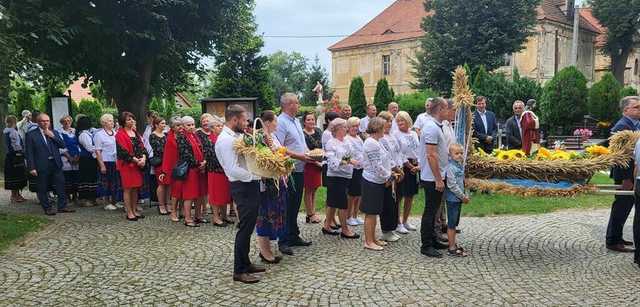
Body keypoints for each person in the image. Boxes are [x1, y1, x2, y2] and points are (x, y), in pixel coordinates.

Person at [216, 104, 265, 284]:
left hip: (248, 183)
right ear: (234, 119)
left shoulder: (236, 135)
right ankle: (239, 270)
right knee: (244, 229)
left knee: (249, 226)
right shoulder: (226, 140)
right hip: (242, 185)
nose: (246, 123)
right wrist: (255, 175)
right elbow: (232, 169)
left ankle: (246, 263)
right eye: (243, 120)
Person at [274, 93, 313, 256]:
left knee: (295, 204)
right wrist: (300, 156)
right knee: (286, 205)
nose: (299, 105)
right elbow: (279, 148)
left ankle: (293, 235)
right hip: (288, 171)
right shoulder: (280, 122)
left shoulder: (296, 121)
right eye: (297, 103)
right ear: (288, 105)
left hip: (300, 168)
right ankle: (283, 240)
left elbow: (300, 143)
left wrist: (310, 153)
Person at [606, 96, 640, 253]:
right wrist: (627, 178)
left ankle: (618, 237)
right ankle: (612, 240)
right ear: (626, 110)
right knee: (621, 206)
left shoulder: (634, 124)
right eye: (636, 107)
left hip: (633, 174)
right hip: (625, 175)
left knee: (626, 206)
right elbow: (620, 156)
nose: (639, 110)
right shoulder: (622, 126)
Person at [418, 97, 450, 258]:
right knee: (430, 211)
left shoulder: (437, 126)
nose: (449, 111)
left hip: (437, 175)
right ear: (440, 110)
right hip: (432, 177)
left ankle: (433, 239)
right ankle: (426, 245)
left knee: (435, 211)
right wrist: (438, 178)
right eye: (447, 108)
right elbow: (431, 155)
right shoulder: (431, 127)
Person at [25, 113, 75, 215]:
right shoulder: (31, 135)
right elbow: (29, 152)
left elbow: (62, 145)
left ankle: (62, 206)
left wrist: (52, 136)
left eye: (47, 121)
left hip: (55, 163)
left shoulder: (54, 132)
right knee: (42, 187)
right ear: (38, 122)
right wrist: (31, 167)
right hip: (41, 164)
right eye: (43, 121)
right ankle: (47, 208)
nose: (45, 123)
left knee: (61, 185)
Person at [255, 111, 287, 263]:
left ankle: (268, 248)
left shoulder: (272, 136)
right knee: (264, 215)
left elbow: (279, 153)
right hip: (266, 182)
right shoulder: (260, 136)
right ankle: (264, 251)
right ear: (267, 122)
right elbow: (262, 158)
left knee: (273, 213)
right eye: (275, 121)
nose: (277, 124)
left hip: (276, 180)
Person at [322, 118, 360, 239]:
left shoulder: (346, 142)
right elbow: (333, 163)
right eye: (344, 127)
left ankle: (327, 226)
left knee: (332, 202)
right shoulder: (331, 143)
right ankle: (345, 229)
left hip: (346, 176)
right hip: (335, 177)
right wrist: (348, 161)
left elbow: (351, 156)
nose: (346, 129)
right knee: (342, 204)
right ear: (337, 129)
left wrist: (352, 161)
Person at [361, 117, 393, 251]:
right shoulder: (371, 143)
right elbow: (377, 166)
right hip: (371, 181)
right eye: (384, 127)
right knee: (371, 213)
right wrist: (388, 176)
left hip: (377, 181)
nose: (385, 129)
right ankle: (368, 241)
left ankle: (373, 238)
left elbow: (386, 159)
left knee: (375, 212)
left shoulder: (377, 141)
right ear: (378, 128)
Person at [175, 116, 206, 227]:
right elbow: (186, 155)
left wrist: (204, 162)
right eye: (188, 125)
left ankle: (198, 216)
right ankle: (188, 219)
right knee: (189, 195)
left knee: (199, 194)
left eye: (193, 124)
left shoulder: (195, 135)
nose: (191, 127)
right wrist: (199, 164)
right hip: (190, 169)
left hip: (199, 169)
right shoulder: (181, 137)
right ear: (183, 126)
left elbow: (202, 150)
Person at [115, 112, 147, 221]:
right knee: (128, 189)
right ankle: (129, 212)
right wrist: (135, 160)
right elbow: (123, 152)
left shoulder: (135, 132)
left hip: (137, 164)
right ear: (123, 122)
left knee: (135, 188)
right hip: (127, 165)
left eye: (132, 119)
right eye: (129, 119)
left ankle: (134, 210)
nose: (132, 121)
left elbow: (142, 147)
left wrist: (143, 158)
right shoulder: (120, 134)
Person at [378, 111, 404, 242]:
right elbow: (386, 158)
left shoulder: (392, 136)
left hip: (397, 171)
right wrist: (394, 170)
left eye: (390, 121)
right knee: (387, 201)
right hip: (388, 173)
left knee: (395, 201)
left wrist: (400, 168)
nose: (390, 123)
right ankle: (386, 230)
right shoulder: (381, 138)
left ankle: (392, 227)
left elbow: (398, 153)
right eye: (387, 121)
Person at [393, 111, 419, 234]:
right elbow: (399, 153)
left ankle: (405, 220)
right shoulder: (396, 135)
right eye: (398, 121)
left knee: (410, 195)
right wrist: (408, 165)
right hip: (403, 167)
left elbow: (418, 149)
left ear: (408, 120)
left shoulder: (413, 133)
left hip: (415, 166)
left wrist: (418, 165)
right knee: (400, 195)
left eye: (402, 120)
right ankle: (398, 223)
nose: (400, 123)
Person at [445, 143, 470, 257]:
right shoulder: (450, 167)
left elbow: (461, 181)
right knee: (451, 224)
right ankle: (451, 247)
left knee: (454, 223)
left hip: (458, 199)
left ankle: (453, 243)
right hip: (453, 199)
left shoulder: (458, 166)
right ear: (450, 155)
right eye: (456, 153)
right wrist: (462, 196)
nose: (459, 155)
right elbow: (452, 185)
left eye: (461, 153)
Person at [208, 116, 233, 226]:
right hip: (215, 170)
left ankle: (224, 215)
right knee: (215, 195)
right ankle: (216, 218)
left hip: (224, 170)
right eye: (217, 126)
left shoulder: (223, 137)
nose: (220, 128)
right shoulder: (209, 139)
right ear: (212, 129)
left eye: (221, 126)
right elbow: (210, 155)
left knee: (224, 194)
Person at [95, 114, 123, 211]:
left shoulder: (115, 132)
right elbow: (98, 151)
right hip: (105, 161)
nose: (113, 123)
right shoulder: (99, 134)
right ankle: (106, 202)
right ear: (104, 123)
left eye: (112, 121)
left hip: (115, 161)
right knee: (106, 182)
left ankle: (115, 201)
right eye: (110, 121)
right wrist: (101, 165)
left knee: (115, 182)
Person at [160, 117, 183, 222]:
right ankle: (173, 211)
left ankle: (181, 211)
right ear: (173, 127)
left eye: (181, 125)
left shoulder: (183, 136)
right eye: (178, 125)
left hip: (183, 166)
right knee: (175, 191)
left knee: (183, 190)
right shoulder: (169, 139)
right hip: (174, 168)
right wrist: (165, 170)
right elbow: (167, 156)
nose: (180, 127)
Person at [301, 111, 323, 224]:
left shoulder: (318, 131)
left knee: (315, 189)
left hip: (319, 163)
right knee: (309, 190)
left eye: (312, 119)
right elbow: (305, 150)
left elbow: (322, 145)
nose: (311, 121)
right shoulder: (302, 134)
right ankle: (310, 214)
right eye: (308, 119)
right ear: (304, 122)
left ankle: (313, 211)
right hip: (309, 164)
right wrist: (316, 161)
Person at [195, 114, 214, 224]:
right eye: (203, 121)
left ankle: (212, 206)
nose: (206, 122)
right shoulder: (198, 133)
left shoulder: (213, 132)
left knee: (211, 187)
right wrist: (203, 162)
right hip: (202, 163)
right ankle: (204, 208)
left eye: (207, 120)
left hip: (212, 164)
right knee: (203, 188)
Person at [345, 117, 364, 226]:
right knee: (352, 194)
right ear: (348, 127)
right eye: (353, 126)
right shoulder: (347, 139)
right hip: (353, 169)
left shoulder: (359, 138)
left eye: (357, 126)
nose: (355, 128)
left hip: (361, 168)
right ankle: (348, 216)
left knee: (359, 194)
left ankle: (355, 215)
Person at [75, 116, 98, 207]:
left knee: (91, 178)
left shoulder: (87, 133)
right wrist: (99, 149)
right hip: (86, 159)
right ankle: (86, 199)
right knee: (87, 178)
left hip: (89, 159)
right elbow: (89, 148)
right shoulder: (84, 134)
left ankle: (92, 198)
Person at [3, 115, 27, 202]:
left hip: (10, 156)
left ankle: (17, 195)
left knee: (14, 176)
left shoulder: (6, 132)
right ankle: (14, 196)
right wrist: (22, 152)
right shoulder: (13, 132)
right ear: (14, 122)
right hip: (15, 156)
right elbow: (16, 145)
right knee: (16, 176)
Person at [58, 115, 80, 205]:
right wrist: (69, 157)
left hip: (76, 157)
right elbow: (60, 146)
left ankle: (75, 196)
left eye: (69, 121)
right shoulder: (59, 132)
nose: (67, 123)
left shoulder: (75, 131)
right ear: (62, 123)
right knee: (67, 177)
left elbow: (79, 144)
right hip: (65, 158)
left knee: (76, 177)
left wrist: (77, 156)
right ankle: (67, 196)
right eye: (65, 121)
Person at [149, 116, 169, 215]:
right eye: (162, 123)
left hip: (167, 162)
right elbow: (158, 149)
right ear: (156, 125)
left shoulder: (165, 134)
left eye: (165, 123)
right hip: (160, 162)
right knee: (161, 184)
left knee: (168, 183)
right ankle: (161, 205)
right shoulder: (153, 135)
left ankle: (167, 203)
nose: (164, 125)